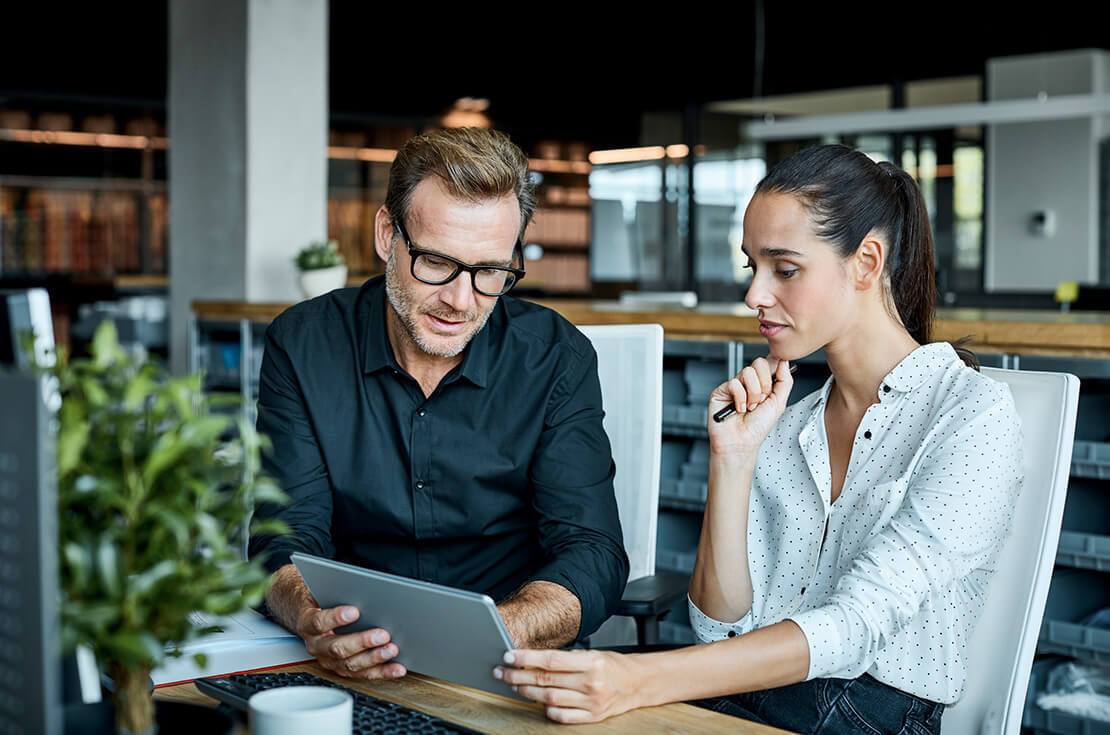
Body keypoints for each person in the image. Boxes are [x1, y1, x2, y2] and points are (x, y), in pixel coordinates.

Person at [496, 144, 1023, 734]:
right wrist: (734, 459)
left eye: (786, 269)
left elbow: (855, 627)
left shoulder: (972, 415)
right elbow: (718, 630)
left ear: (867, 262)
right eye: (754, 267)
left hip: (871, 714)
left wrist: (640, 680)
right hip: (762, 693)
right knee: (539, 707)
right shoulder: (789, 423)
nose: (754, 296)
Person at [249, 127, 629, 681]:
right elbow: (283, 536)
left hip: (508, 661)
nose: (459, 300)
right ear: (387, 235)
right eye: (435, 262)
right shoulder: (304, 344)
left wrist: (496, 632)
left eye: (490, 272)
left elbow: (592, 552)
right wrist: (312, 617)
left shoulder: (556, 358)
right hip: (349, 656)